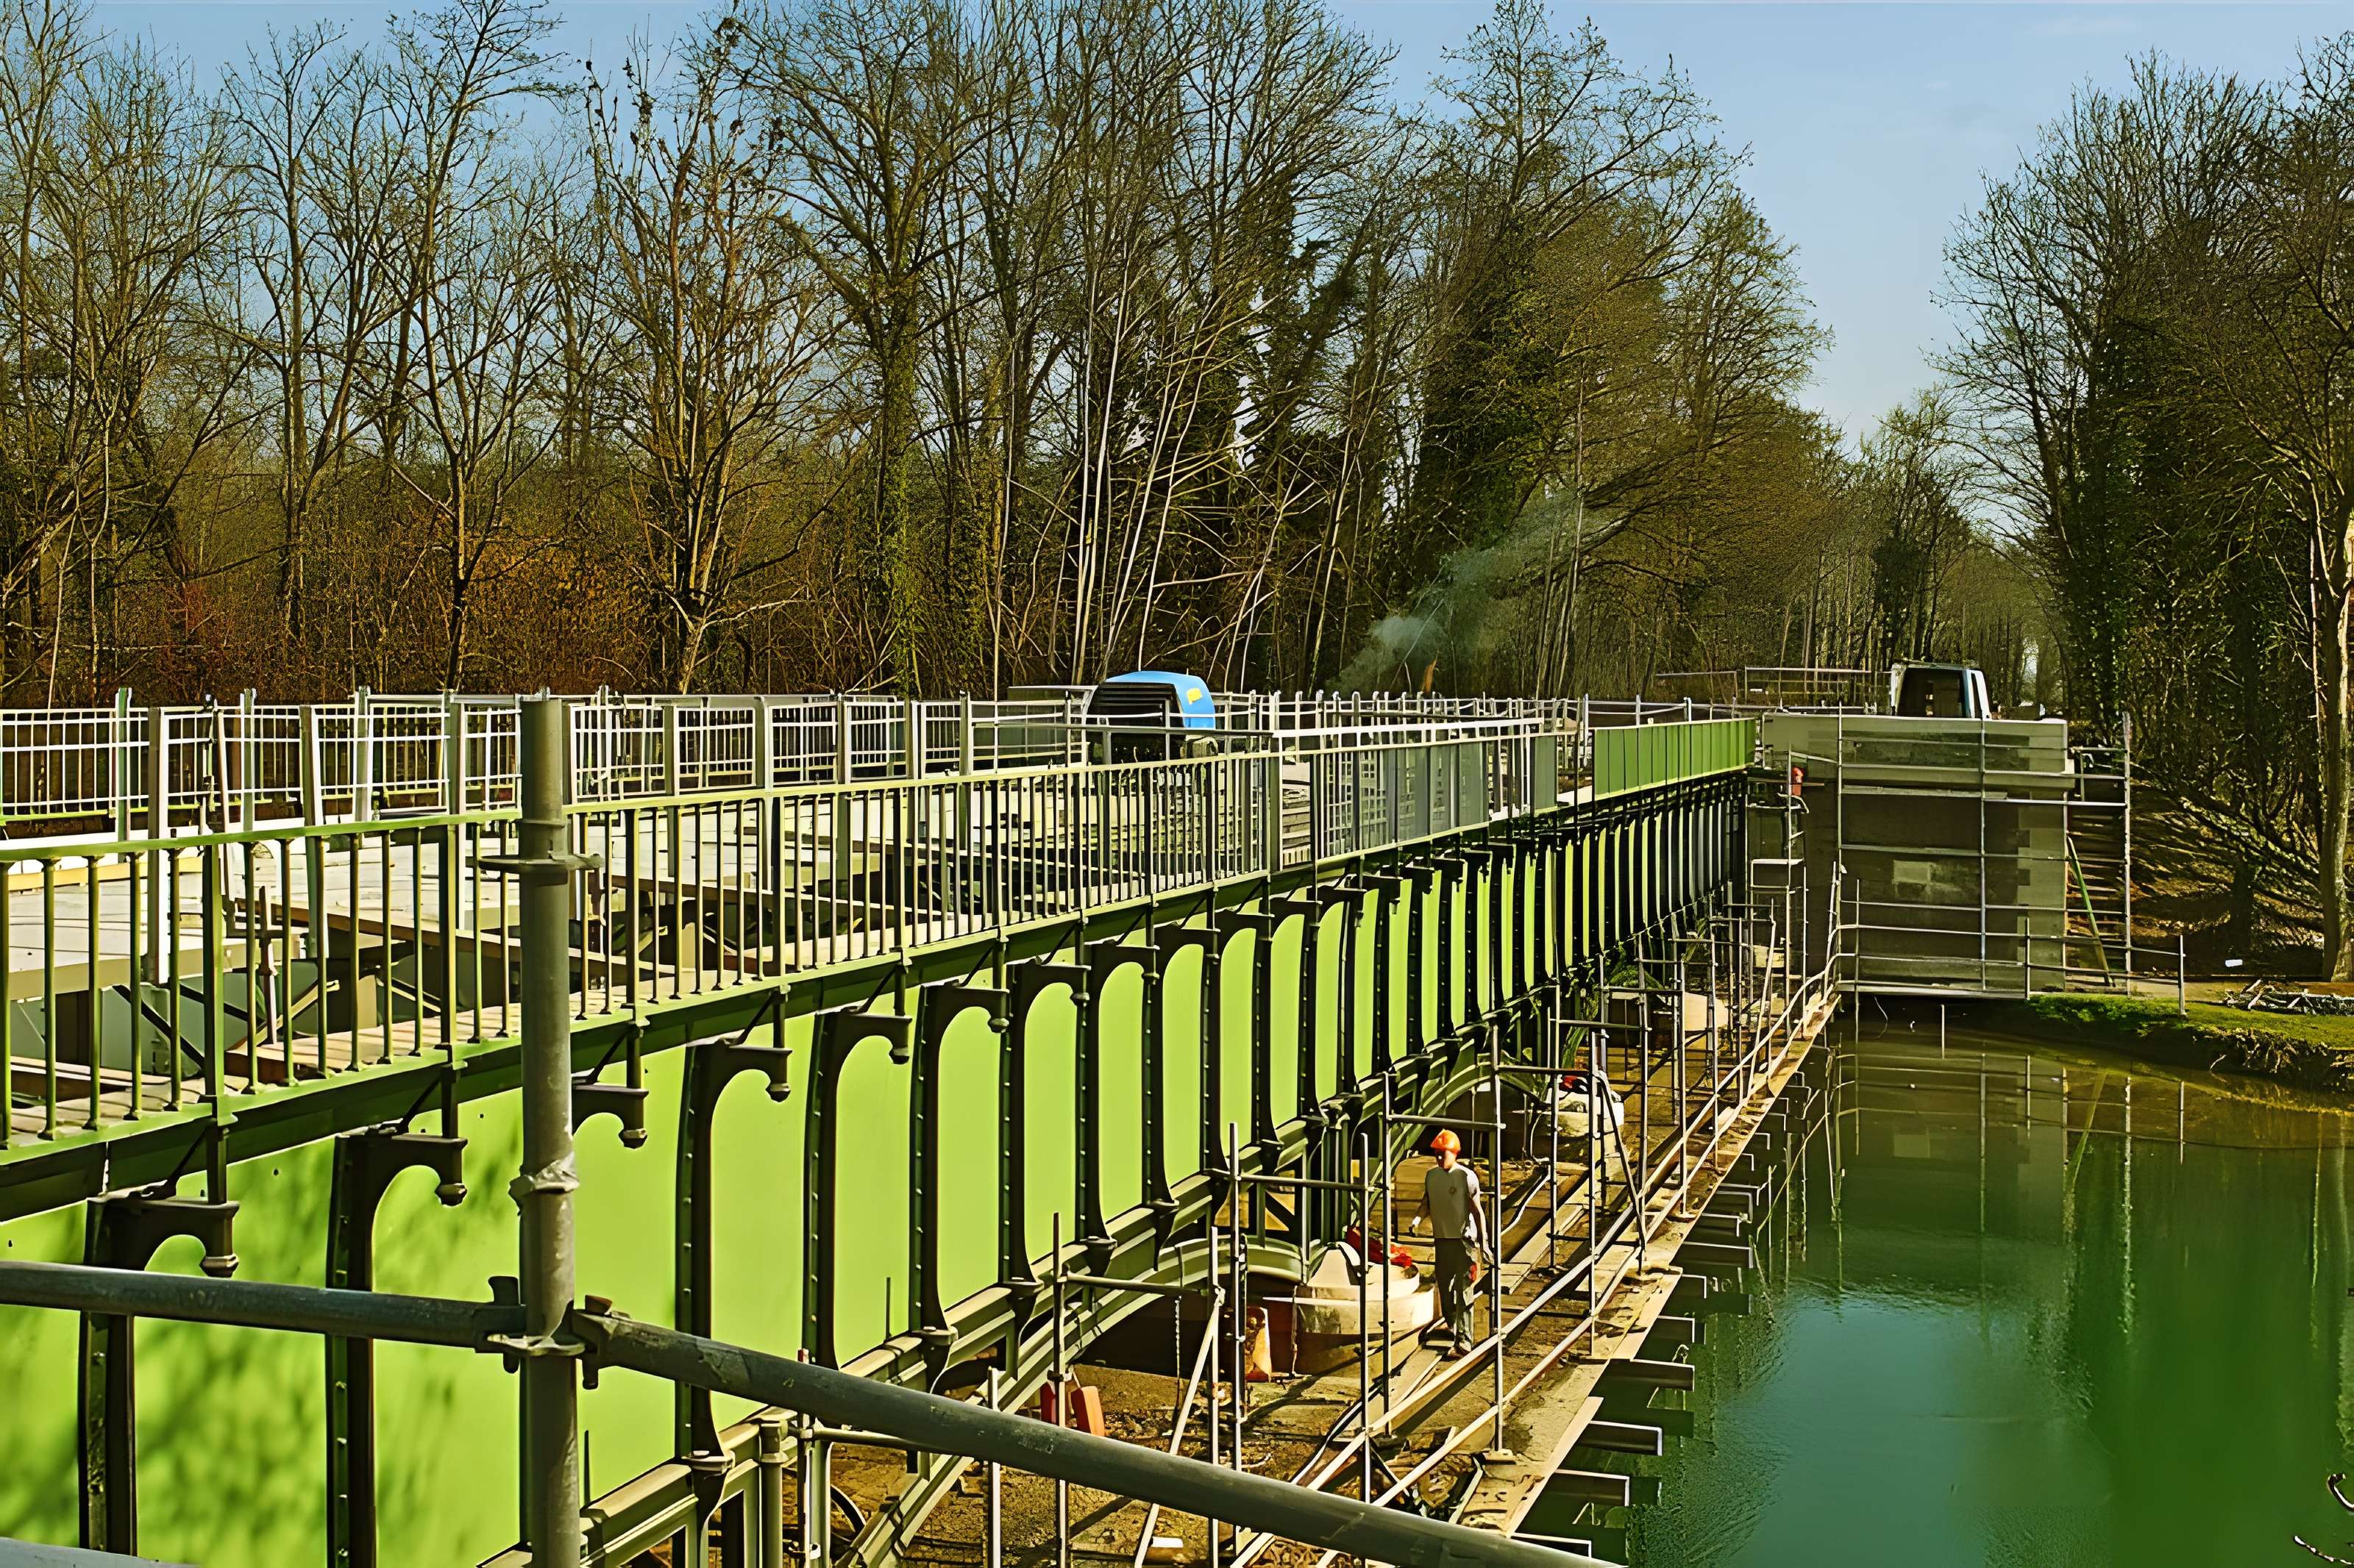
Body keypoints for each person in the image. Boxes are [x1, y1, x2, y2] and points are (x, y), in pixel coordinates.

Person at [1420, 1129, 1484, 1357]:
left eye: (1443, 1154)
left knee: (1464, 1290)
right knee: (1445, 1290)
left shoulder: (1466, 1177)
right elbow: (1426, 1202)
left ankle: (1464, 1342)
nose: (1439, 1158)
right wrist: (1417, 1220)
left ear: (1454, 1153)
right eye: (1436, 1154)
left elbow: (1478, 1212)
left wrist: (1483, 1246)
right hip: (1442, 1241)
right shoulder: (1432, 1176)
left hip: (1464, 1242)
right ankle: (1452, 1323)